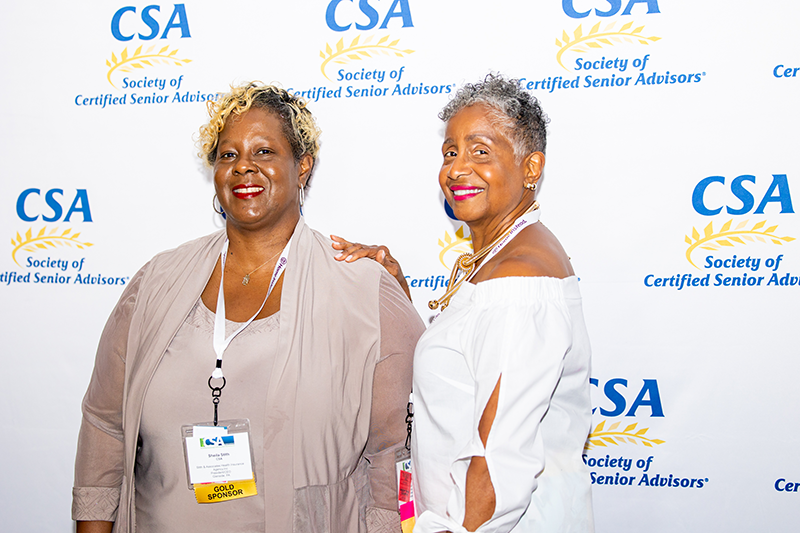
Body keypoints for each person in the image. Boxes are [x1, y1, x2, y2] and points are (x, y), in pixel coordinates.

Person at [72, 82, 425, 533]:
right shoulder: (156, 283)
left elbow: (396, 456)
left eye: (264, 152)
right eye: (228, 154)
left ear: (303, 166)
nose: (243, 166)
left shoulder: (363, 291)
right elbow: (104, 426)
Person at [333, 74, 594, 532]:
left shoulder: (518, 283)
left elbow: (497, 467)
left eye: (480, 152)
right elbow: (467, 368)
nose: (456, 169)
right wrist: (397, 292)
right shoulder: (498, 258)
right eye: (450, 152)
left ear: (531, 168)